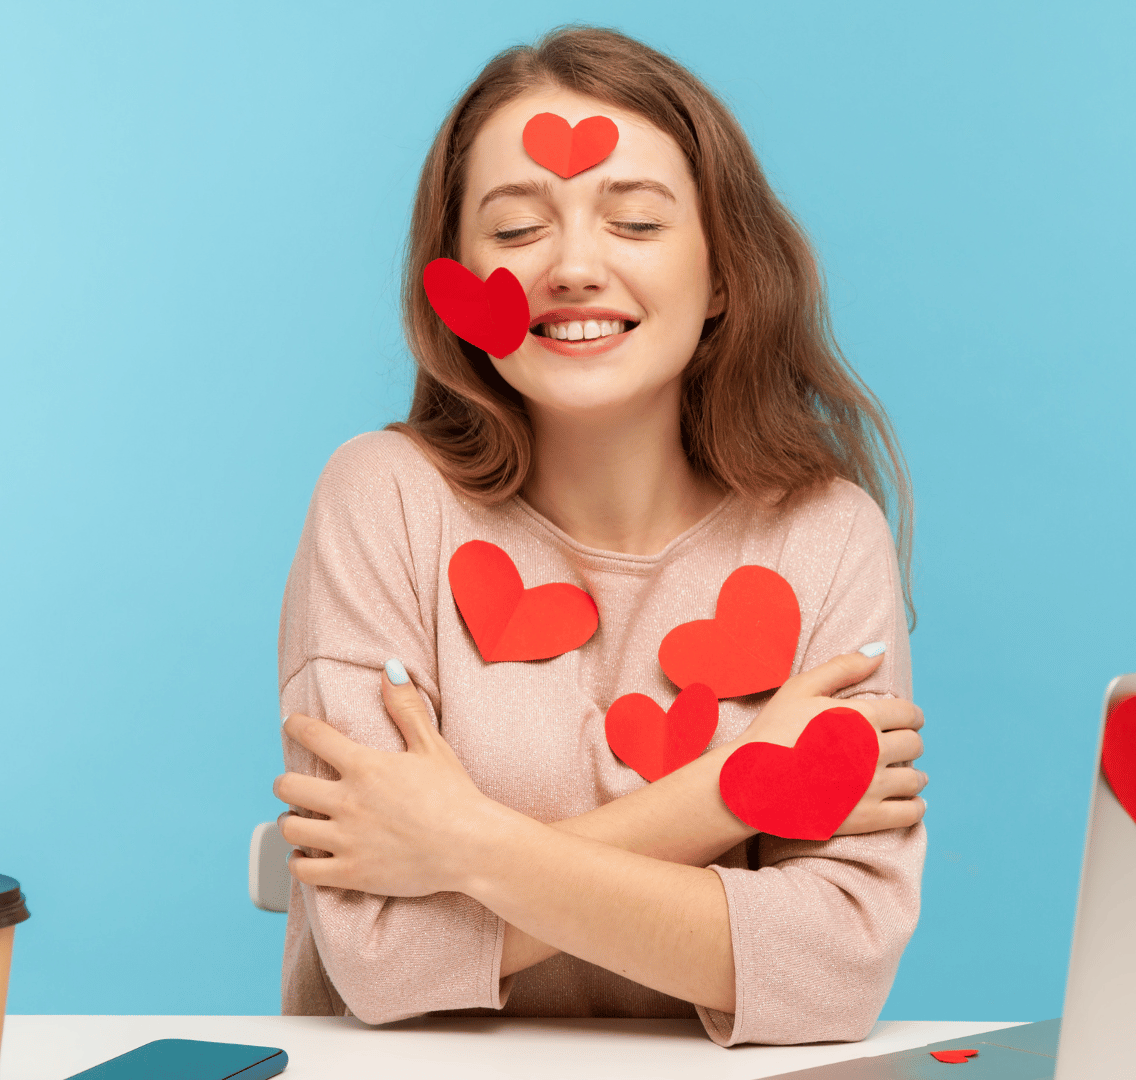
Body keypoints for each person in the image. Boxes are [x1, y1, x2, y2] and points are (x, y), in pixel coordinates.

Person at [270, 26, 927, 1047]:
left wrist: (463, 844)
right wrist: (731, 791)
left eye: (634, 221)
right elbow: (386, 959)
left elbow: (834, 972)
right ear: (455, 285)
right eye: (518, 230)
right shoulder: (384, 499)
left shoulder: (824, 535)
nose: (574, 267)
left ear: (721, 278)